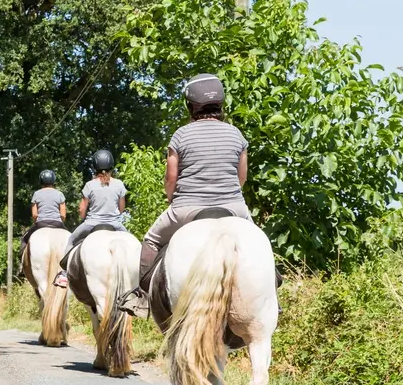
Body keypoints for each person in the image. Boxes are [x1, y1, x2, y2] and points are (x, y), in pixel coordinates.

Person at [118, 73, 254, 317]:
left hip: (187, 208)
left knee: (150, 239)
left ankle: (142, 298)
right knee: (258, 241)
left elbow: (171, 179)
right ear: (220, 103)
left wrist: (172, 199)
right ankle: (271, 292)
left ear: (190, 105)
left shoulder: (180, 135)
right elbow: (241, 178)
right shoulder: (236, 135)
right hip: (235, 207)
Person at [53, 149, 129, 288]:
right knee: (134, 243)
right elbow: (122, 208)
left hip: (92, 223)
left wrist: (82, 216)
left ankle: (64, 273)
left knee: (71, 240)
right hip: (115, 223)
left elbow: (82, 209)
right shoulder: (119, 184)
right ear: (111, 164)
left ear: (95, 166)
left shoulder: (90, 185)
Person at [18, 169, 67, 260]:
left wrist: (37, 221)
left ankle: (22, 262)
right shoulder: (60, 194)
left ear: (41, 181)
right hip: (57, 223)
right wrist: (60, 221)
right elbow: (63, 215)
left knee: (24, 239)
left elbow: (34, 215)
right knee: (71, 240)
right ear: (53, 180)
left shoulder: (36, 194)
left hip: (41, 224)